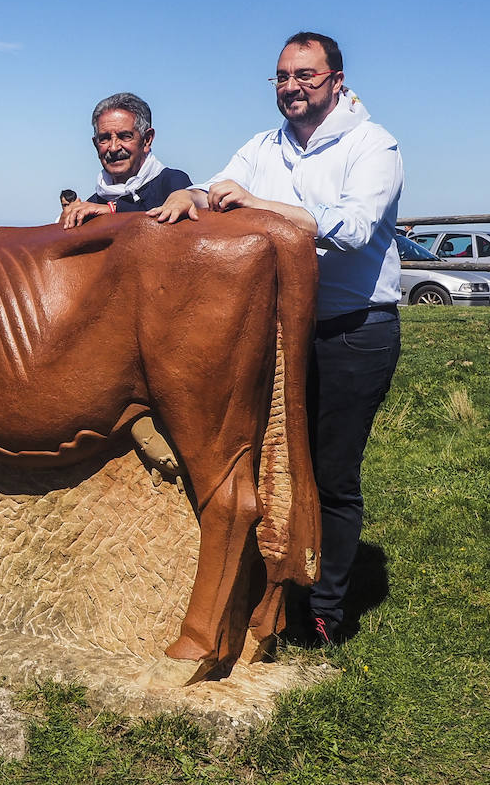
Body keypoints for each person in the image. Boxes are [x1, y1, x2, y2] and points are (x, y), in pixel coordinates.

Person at [151, 31, 403, 645]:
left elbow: (354, 226)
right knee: (273, 463)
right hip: (277, 334)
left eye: (305, 76)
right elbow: (218, 188)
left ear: (336, 80)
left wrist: (261, 206)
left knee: (331, 473)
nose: (292, 86)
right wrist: (190, 195)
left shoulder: (375, 145)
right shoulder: (263, 146)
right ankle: (274, 592)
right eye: (282, 77)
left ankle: (326, 611)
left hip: (350, 329)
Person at [59, 92, 192, 228]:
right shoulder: (91, 206)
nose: (113, 148)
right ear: (95, 145)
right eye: (104, 139)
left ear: (147, 140)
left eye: (125, 136)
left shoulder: (173, 184)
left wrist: (114, 210)